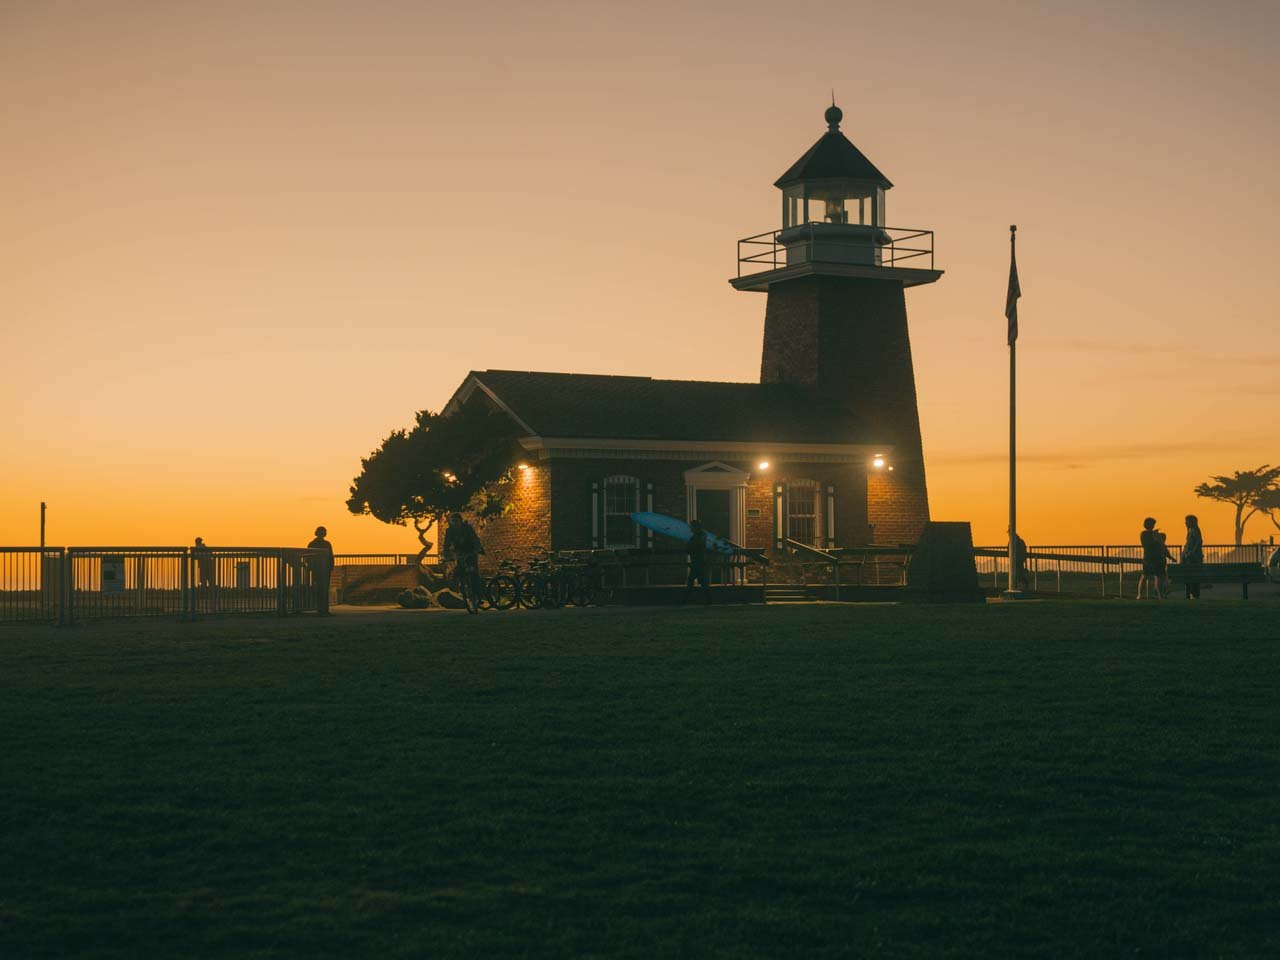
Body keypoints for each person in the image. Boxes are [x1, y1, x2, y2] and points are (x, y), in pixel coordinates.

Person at [442, 512, 484, 609]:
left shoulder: (467, 528)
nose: (454, 523)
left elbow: (475, 539)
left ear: (460, 521)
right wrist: (446, 555)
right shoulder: (450, 531)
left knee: (474, 573)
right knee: (459, 571)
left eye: (456, 521)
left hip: (471, 550)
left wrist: (476, 549)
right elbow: (446, 544)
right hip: (460, 552)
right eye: (453, 521)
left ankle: (478, 595)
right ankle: (463, 589)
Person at [308, 525, 334, 615]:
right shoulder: (327, 544)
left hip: (320, 569)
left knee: (320, 589)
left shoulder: (312, 544)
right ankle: (323, 609)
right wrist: (331, 567)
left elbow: (308, 558)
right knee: (323, 589)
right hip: (323, 569)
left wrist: (311, 567)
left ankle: (321, 609)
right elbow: (331, 556)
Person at [684, 519, 711, 605]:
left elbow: (691, 548)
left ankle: (687, 600)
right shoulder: (701, 535)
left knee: (694, 581)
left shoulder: (698, 536)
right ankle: (707, 600)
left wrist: (689, 545)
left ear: (695, 527)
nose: (690, 528)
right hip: (699, 561)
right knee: (700, 581)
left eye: (691, 526)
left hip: (698, 561)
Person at [1137, 517, 1164, 600]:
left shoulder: (1142, 534)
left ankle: (1140, 595)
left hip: (1148, 557)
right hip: (1155, 557)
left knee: (1145, 576)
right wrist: (1155, 536)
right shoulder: (1154, 534)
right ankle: (1160, 596)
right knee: (1158, 576)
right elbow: (1160, 544)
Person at [1182, 515, 1204, 599]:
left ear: (1192, 522)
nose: (1185, 523)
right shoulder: (1191, 530)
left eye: (1187, 521)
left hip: (1193, 558)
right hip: (1191, 557)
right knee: (1192, 576)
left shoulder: (1194, 530)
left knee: (1192, 576)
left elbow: (1199, 541)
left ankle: (1193, 594)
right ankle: (1193, 594)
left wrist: (1192, 552)